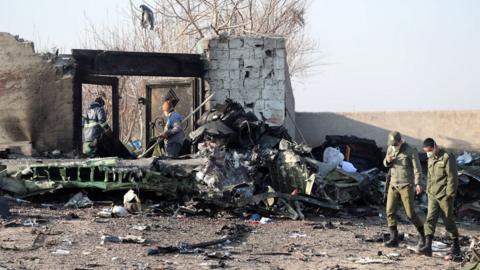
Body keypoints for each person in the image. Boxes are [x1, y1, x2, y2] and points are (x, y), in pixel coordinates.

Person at [419, 138, 460, 258]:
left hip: (444, 195)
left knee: (448, 220)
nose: (429, 153)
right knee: (430, 219)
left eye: (430, 150)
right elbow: (430, 176)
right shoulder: (430, 158)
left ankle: (456, 245)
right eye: (427, 151)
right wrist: (428, 190)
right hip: (432, 194)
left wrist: (449, 194)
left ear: (435, 147)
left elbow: (452, 177)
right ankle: (428, 246)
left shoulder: (447, 157)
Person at [383, 131, 425, 249]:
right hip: (393, 184)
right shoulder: (390, 148)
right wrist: (388, 161)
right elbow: (385, 163)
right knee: (389, 211)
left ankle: (423, 236)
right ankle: (394, 238)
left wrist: (418, 183)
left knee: (410, 213)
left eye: (396, 144)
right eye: (393, 145)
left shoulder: (411, 149)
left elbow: (417, 168)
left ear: (401, 141)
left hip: (406, 184)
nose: (394, 147)